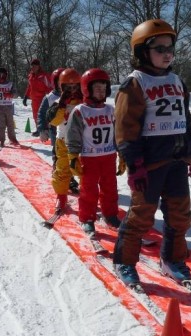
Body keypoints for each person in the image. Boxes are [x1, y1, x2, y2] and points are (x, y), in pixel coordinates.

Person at [112, 19, 191, 287]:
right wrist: (134, 163)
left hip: (176, 160)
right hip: (149, 164)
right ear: (142, 52)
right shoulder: (135, 83)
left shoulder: (177, 81)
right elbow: (125, 128)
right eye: (159, 48)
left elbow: (185, 118)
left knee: (180, 215)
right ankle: (124, 262)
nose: (167, 54)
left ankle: (172, 259)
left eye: (170, 48)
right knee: (142, 216)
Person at [66, 68, 124, 234]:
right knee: (89, 190)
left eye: (104, 88)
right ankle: (87, 217)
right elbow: (73, 135)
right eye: (97, 88)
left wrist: (121, 153)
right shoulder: (80, 111)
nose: (101, 91)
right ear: (87, 89)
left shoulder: (110, 110)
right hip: (89, 157)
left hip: (108, 156)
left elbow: (117, 133)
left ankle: (110, 214)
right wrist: (73, 156)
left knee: (110, 188)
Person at [49, 68, 83, 211]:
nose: (72, 90)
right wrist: (62, 105)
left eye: (75, 87)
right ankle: (61, 197)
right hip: (63, 141)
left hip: (81, 143)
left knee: (84, 171)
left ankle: (87, 196)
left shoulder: (84, 102)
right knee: (62, 171)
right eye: (68, 87)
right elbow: (54, 121)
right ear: (62, 87)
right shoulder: (57, 103)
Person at [0, 67, 19, 148]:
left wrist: (10, 94)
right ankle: (1, 140)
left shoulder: (11, 84)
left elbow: (16, 95)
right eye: (0, 75)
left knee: (10, 124)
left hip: (9, 106)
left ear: (6, 75)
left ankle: (12, 139)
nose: (1, 77)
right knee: (1, 124)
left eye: (3, 75)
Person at [23, 58, 52, 134]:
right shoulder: (31, 76)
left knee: (43, 115)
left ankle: (46, 130)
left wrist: (51, 98)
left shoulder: (44, 76)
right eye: (32, 66)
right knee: (35, 115)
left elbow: (50, 87)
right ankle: (39, 129)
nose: (33, 68)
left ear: (39, 66)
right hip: (34, 99)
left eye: (35, 66)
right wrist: (26, 96)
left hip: (43, 99)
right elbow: (29, 87)